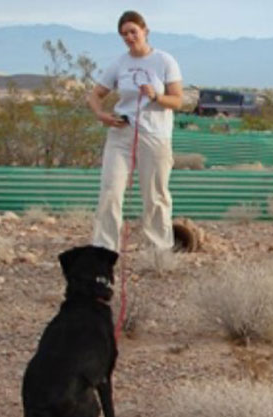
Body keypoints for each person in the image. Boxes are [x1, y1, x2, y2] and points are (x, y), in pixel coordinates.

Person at [87, 10, 183, 256]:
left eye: (133, 32)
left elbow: (177, 100)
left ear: (145, 31)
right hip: (121, 133)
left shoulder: (164, 61)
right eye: (124, 34)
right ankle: (104, 249)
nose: (129, 37)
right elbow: (96, 94)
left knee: (155, 195)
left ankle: (159, 250)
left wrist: (155, 95)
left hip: (155, 134)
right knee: (110, 189)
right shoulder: (120, 63)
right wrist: (101, 115)